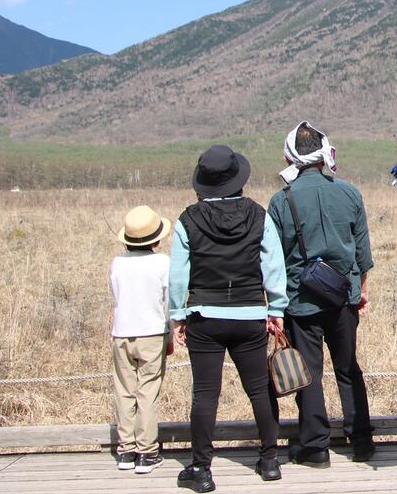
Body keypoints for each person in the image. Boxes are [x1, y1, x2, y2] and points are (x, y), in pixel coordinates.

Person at [170, 145, 288, 492]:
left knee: (205, 394)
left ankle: (201, 469)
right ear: (239, 179)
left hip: (204, 315)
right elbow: (273, 265)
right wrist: (276, 308)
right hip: (251, 314)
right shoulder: (258, 215)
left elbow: (178, 275)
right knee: (259, 389)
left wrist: (177, 315)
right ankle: (269, 460)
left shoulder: (187, 219)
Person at [267, 121, 375, 467]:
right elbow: (363, 255)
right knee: (348, 368)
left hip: (300, 299)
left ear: (291, 157)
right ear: (324, 153)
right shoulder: (349, 192)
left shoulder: (281, 200)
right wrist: (359, 292)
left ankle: (315, 448)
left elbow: (273, 260)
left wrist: (276, 308)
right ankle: (361, 441)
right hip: (343, 296)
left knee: (308, 372)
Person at [109, 205, 173, 475]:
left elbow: (115, 296)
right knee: (148, 391)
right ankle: (147, 452)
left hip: (122, 331)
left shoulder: (117, 262)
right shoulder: (162, 263)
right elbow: (168, 301)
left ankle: (126, 449)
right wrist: (171, 332)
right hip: (152, 332)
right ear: (157, 238)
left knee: (124, 391)